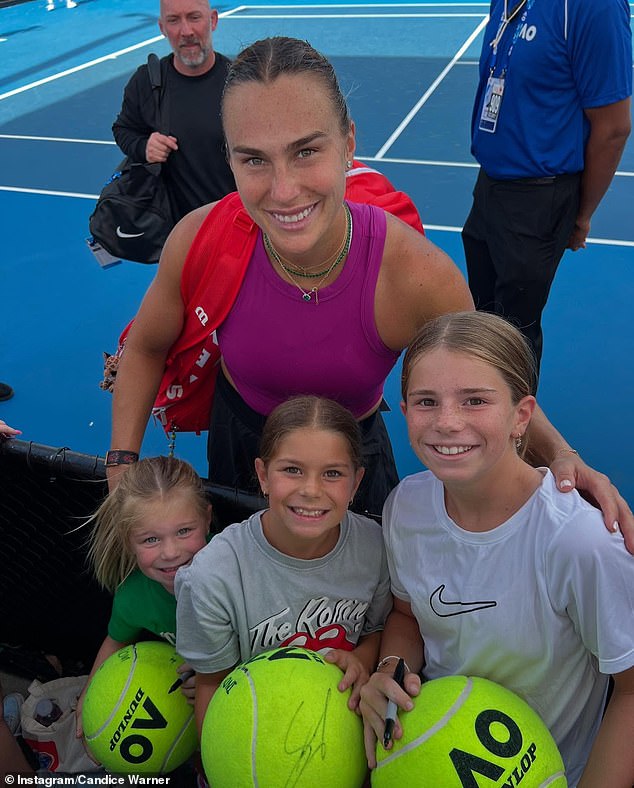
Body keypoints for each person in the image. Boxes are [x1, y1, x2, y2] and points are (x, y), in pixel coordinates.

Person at [107, 36, 634, 545]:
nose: (284, 189)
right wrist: (120, 466)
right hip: (240, 447)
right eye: (254, 160)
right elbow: (148, 347)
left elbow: (489, 384)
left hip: (353, 463)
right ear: (230, 160)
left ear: (349, 144)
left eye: (306, 151)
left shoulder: (412, 275)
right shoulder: (199, 238)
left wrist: (561, 455)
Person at [359, 312, 634, 787]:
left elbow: (630, 690)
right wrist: (390, 669)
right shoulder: (406, 506)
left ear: (521, 416)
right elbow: (407, 616)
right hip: (432, 763)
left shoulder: (579, 541)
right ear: (404, 411)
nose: (447, 422)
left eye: (474, 401)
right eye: (427, 401)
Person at [174, 396, 392, 733]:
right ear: (262, 475)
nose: (310, 490)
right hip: (257, 734)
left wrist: (361, 662)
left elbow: (376, 630)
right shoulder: (213, 575)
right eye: (292, 470)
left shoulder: (374, 548)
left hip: (343, 732)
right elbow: (212, 684)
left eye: (332, 473)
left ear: (356, 483)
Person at [462, 0, 632, 377]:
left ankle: (514, 433)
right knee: (481, 325)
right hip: (489, 185)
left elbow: (614, 127)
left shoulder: (594, 7)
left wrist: (580, 214)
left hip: (538, 199)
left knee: (512, 340)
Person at [75, 456, 210, 737]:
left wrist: (214, 676)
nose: (171, 552)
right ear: (127, 540)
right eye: (151, 539)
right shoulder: (134, 595)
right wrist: (88, 701)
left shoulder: (238, 571)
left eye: (184, 531)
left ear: (207, 520)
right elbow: (116, 639)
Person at [112, 0, 236, 224]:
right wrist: (144, 146)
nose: (186, 31)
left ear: (213, 20)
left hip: (239, 225)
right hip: (179, 235)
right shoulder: (146, 83)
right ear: (162, 28)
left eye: (194, 17)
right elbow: (123, 129)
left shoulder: (241, 81)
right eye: (174, 20)